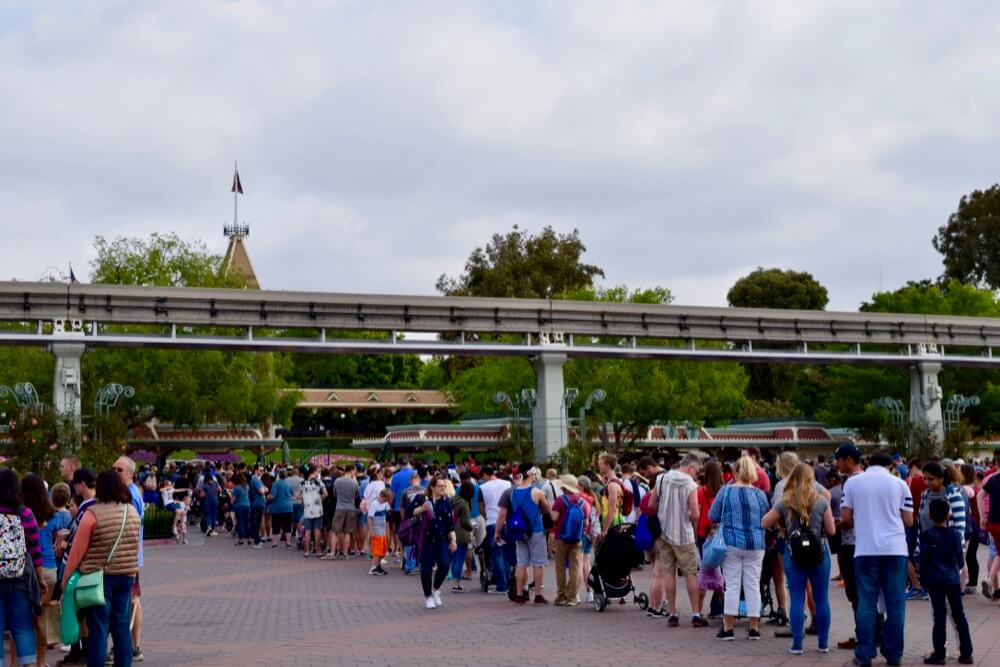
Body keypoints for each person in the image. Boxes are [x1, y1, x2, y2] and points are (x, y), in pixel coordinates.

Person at [839, 450, 913, 667]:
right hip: (895, 549)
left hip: (865, 549)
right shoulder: (900, 485)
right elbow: (908, 521)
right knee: (895, 603)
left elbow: (846, 518)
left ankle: (864, 653)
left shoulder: (853, 483)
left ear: (868, 463)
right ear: (890, 465)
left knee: (866, 602)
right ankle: (894, 654)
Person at [63, 470, 141, 667]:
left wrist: (66, 579)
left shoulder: (93, 514)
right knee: (121, 625)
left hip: (99, 577)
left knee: (98, 627)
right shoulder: (132, 511)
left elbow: (77, 551)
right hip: (127, 575)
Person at [762, 462, 836, 655]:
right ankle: (823, 643)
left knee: (796, 597)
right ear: (811, 479)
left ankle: (797, 644)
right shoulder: (821, 501)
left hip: (793, 554)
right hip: (819, 554)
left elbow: (764, 522)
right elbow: (831, 530)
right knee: (821, 599)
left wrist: (782, 524)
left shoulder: (786, 501)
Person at [708, 456, 769, 641]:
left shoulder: (725, 492)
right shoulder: (760, 495)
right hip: (756, 543)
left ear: (735, 471)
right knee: (753, 585)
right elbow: (767, 517)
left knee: (732, 585)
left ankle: (728, 627)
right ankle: (754, 627)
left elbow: (713, 515)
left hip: (732, 542)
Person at [647, 453, 706, 627]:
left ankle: (673, 613)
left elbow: (651, 504)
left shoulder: (662, 479)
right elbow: (695, 514)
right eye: (696, 471)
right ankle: (696, 614)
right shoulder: (690, 485)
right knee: (690, 573)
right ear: (692, 468)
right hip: (684, 535)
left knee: (668, 572)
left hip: (664, 534)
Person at [920, 498, 973, 665]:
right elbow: (960, 559)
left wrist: (923, 580)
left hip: (934, 580)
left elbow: (924, 560)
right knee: (959, 615)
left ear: (930, 515)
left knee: (939, 616)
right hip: (952, 580)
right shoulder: (956, 535)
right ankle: (966, 653)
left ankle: (939, 653)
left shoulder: (927, 536)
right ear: (949, 515)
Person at [0, 468, 43, 667]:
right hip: (20, 578)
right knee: (23, 628)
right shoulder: (25, 513)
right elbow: (35, 550)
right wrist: (40, 578)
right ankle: (29, 665)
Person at [495, 464, 551, 604]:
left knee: (521, 563)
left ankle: (520, 594)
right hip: (536, 530)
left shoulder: (513, 493)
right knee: (538, 563)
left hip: (519, 530)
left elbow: (504, 512)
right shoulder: (536, 492)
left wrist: (497, 531)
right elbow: (546, 508)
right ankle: (538, 595)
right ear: (530, 474)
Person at [21, 473, 57, 667]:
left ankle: (18, 661)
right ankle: (41, 662)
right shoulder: (52, 513)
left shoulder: (22, 513)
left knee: (23, 620)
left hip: (28, 569)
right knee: (40, 618)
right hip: (50, 567)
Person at [113, 456, 145, 664]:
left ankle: (131, 646)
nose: (115, 472)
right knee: (132, 600)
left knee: (131, 601)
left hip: (128, 558)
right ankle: (132, 646)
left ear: (131, 474)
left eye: (120, 470)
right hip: (130, 557)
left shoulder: (130, 495)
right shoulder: (130, 493)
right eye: (114, 469)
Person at [833, 443, 863, 651]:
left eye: (839, 460)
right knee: (868, 592)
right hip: (867, 542)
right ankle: (873, 631)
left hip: (851, 543)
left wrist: (834, 523)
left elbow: (848, 519)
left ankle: (862, 634)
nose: (837, 464)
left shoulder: (851, 483)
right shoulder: (868, 479)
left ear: (849, 460)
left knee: (855, 593)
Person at [413, 477, 456, 609]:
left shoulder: (446, 502)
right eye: (440, 486)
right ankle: (428, 596)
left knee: (444, 565)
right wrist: (422, 509)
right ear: (432, 487)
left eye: (444, 486)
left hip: (441, 539)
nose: (443, 488)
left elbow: (450, 525)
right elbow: (411, 513)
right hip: (425, 540)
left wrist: (453, 540)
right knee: (426, 569)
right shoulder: (421, 499)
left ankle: (435, 589)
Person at [550, 475, 588, 607]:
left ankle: (561, 596)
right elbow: (586, 521)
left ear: (564, 487)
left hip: (561, 537)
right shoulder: (583, 501)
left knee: (560, 567)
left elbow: (554, 518)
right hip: (577, 538)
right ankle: (572, 597)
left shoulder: (560, 500)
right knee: (575, 567)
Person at [695, 459, 724, 620]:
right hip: (720, 534)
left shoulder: (701, 492)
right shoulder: (724, 491)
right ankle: (721, 606)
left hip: (703, 534)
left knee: (705, 571)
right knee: (720, 572)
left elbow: (697, 515)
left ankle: (697, 611)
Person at [479, 466, 511, 594]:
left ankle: (502, 585)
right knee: (507, 553)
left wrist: (486, 517)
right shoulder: (507, 483)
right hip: (508, 521)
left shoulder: (483, 487)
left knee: (497, 555)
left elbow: (482, 507)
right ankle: (508, 582)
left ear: (485, 475)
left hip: (492, 522)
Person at [298, 465, 327, 558]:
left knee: (307, 531)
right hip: (317, 509)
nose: (318, 473)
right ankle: (318, 550)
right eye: (317, 471)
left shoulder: (303, 483)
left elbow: (298, 495)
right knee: (317, 530)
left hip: (307, 509)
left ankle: (307, 551)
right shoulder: (318, 482)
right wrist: (319, 499)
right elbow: (326, 494)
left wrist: (306, 498)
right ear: (313, 471)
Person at [332, 467, 359, 559]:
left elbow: (334, 494)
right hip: (350, 508)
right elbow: (356, 495)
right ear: (351, 471)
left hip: (339, 507)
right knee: (347, 532)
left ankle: (332, 552)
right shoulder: (354, 482)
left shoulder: (337, 481)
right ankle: (345, 553)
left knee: (335, 531)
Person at [267, 469, 295, 548]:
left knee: (276, 526)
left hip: (277, 508)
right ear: (286, 475)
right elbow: (291, 494)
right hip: (288, 507)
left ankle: (274, 543)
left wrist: (267, 496)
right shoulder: (290, 484)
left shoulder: (275, 484)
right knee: (287, 526)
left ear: (279, 475)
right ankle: (288, 542)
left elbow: (272, 495)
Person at [368, 489, 391, 576]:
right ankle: (373, 567)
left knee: (383, 550)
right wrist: (371, 531)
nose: (385, 501)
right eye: (384, 499)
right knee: (377, 550)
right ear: (381, 496)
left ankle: (378, 566)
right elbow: (370, 518)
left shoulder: (385, 503)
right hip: (376, 529)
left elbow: (388, 515)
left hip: (383, 530)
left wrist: (387, 529)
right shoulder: (374, 504)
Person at [249, 465, 268, 548]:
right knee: (257, 523)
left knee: (258, 522)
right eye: (260, 470)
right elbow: (262, 491)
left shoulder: (258, 480)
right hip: (258, 503)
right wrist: (263, 489)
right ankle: (256, 541)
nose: (262, 472)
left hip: (259, 503)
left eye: (263, 470)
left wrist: (263, 489)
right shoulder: (256, 480)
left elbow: (266, 489)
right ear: (256, 470)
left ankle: (257, 540)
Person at [230, 473, 251, 545]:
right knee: (247, 522)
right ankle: (248, 538)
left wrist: (231, 500)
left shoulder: (237, 488)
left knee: (240, 522)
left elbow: (233, 499)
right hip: (247, 505)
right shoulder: (247, 486)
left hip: (239, 506)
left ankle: (241, 539)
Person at [199, 471, 221, 537]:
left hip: (207, 501)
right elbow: (220, 490)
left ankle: (209, 528)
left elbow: (201, 495)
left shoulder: (204, 485)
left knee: (208, 515)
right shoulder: (215, 483)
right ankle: (213, 530)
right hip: (215, 500)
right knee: (214, 515)